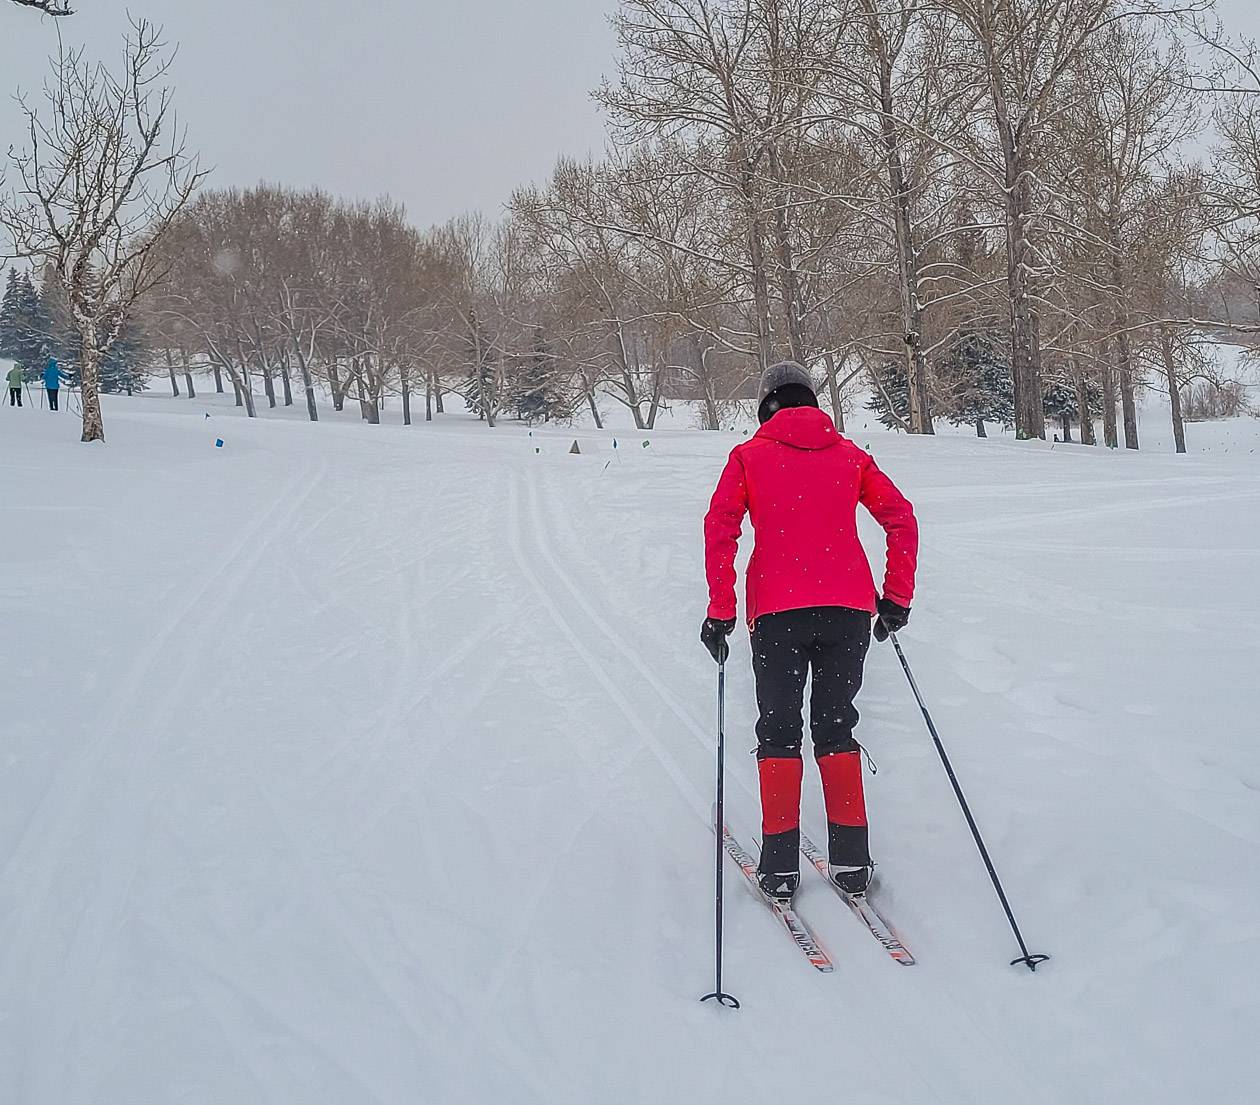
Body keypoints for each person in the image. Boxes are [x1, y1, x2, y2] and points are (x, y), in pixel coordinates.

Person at [701, 361, 918, 902]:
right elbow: (902, 518)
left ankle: (778, 864)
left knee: (779, 730)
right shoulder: (850, 457)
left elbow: (720, 528)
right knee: (836, 725)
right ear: (812, 402)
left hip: (777, 611)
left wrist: (721, 610)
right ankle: (851, 860)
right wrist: (895, 599)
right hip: (847, 610)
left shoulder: (749, 457)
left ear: (767, 403)